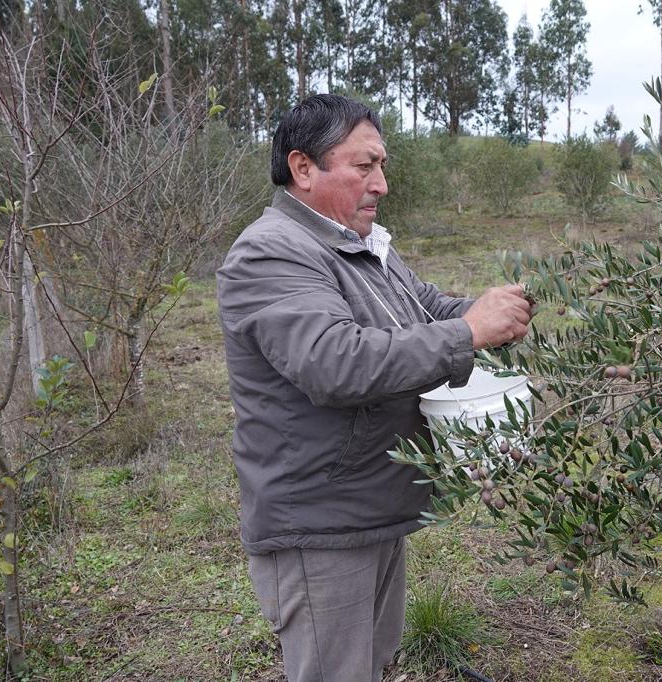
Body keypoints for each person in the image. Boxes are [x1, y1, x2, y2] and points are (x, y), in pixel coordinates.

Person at [216, 93, 532, 682]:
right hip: (320, 520)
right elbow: (333, 363)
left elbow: (427, 310)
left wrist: (494, 315)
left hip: (370, 502)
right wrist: (468, 331)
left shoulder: (360, 245)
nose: (381, 184)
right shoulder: (270, 253)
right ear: (303, 168)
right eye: (364, 166)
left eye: (381, 166)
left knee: (371, 662)